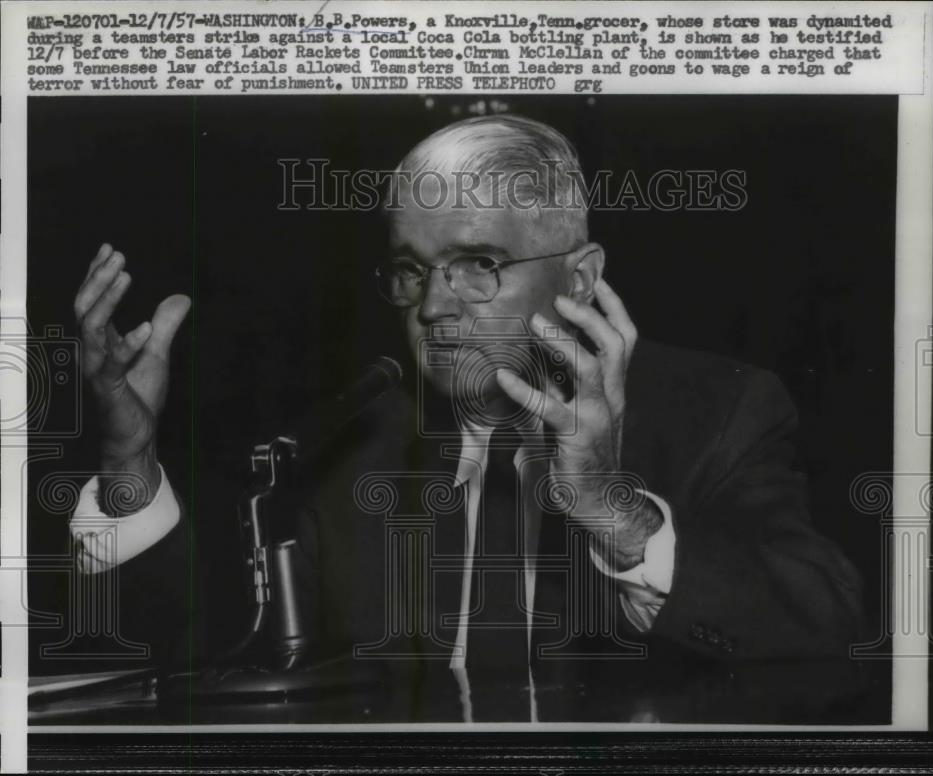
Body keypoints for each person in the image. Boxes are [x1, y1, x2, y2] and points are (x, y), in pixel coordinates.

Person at [70, 115, 863, 717]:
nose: (434, 307)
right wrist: (128, 461)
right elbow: (202, 658)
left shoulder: (719, 409)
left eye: (477, 266)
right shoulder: (362, 436)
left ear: (581, 280)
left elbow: (823, 633)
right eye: (412, 271)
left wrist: (611, 507)